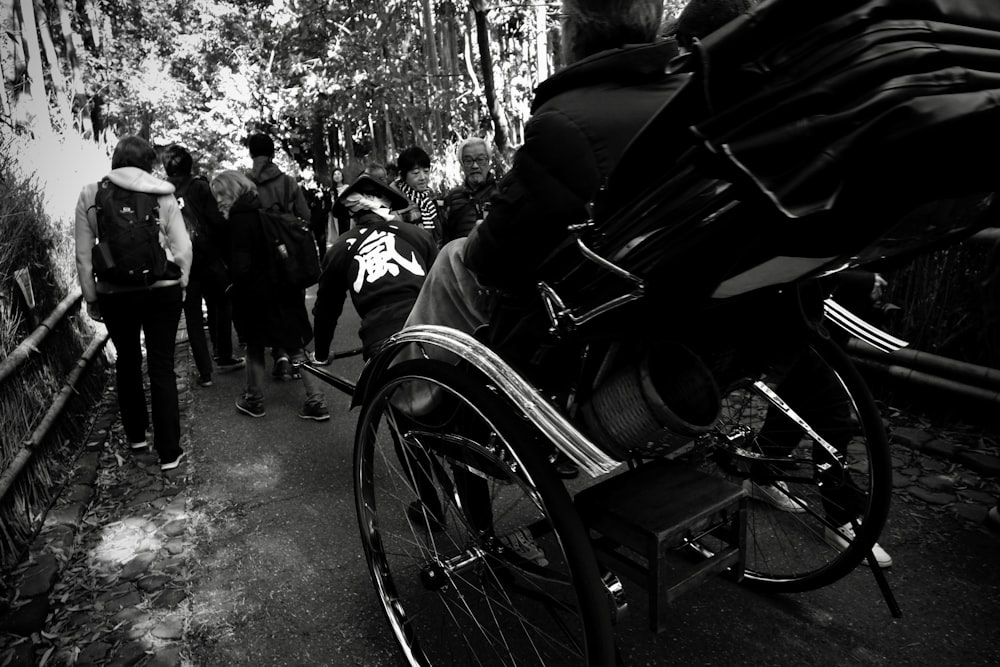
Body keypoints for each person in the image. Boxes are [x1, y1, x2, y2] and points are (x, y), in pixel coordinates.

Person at [74, 135, 192, 471]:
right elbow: (182, 247)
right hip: (161, 289)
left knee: (127, 361)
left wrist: (92, 297)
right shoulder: (163, 192)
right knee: (161, 366)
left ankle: (138, 438)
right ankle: (170, 453)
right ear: (149, 163)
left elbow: (84, 255)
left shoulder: (91, 193)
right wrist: (180, 283)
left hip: (114, 292)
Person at [209, 170, 330, 422]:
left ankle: (254, 399)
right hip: (283, 289)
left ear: (234, 190)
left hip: (258, 296)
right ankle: (316, 401)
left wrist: (233, 289)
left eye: (221, 193)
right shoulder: (260, 210)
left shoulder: (239, 221)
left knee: (254, 347)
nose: (218, 199)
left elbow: (241, 266)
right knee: (295, 348)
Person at [313, 173, 438, 363]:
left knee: (376, 390)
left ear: (352, 214)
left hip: (380, 337)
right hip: (431, 330)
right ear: (387, 206)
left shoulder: (341, 247)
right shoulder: (418, 235)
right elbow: (440, 287)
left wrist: (321, 354)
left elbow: (326, 311)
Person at [162, 144, 244, 388]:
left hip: (181, 262)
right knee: (222, 302)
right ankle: (223, 354)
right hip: (208, 258)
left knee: (193, 316)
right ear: (189, 164)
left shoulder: (161, 192)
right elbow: (217, 222)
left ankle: (205, 372)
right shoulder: (199, 186)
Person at [246, 133, 312, 381]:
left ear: (251, 153)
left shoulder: (246, 183)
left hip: (260, 255)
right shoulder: (288, 182)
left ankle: (279, 354)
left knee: (269, 306)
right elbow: (305, 215)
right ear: (273, 152)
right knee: (292, 303)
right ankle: (297, 356)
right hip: (288, 253)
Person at [440, 136, 499, 246]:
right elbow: (445, 239)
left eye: (480, 160)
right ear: (462, 165)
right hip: (460, 258)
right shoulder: (452, 198)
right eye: (468, 161)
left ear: (489, 161)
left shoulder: (502, 193)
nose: (475, 166)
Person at [392, 146, 444, 244]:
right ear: (402, 175)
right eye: (416, 173)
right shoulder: (395, 202)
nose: (423, 177)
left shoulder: (429, 198)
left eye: (426, 171)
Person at [330, 166, 351, 238]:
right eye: (335, 174)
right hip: (336, 216)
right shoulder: (331, 190)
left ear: (342, 176)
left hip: (346, 214)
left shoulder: (347, 188)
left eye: (339, 174)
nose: (337, 176)